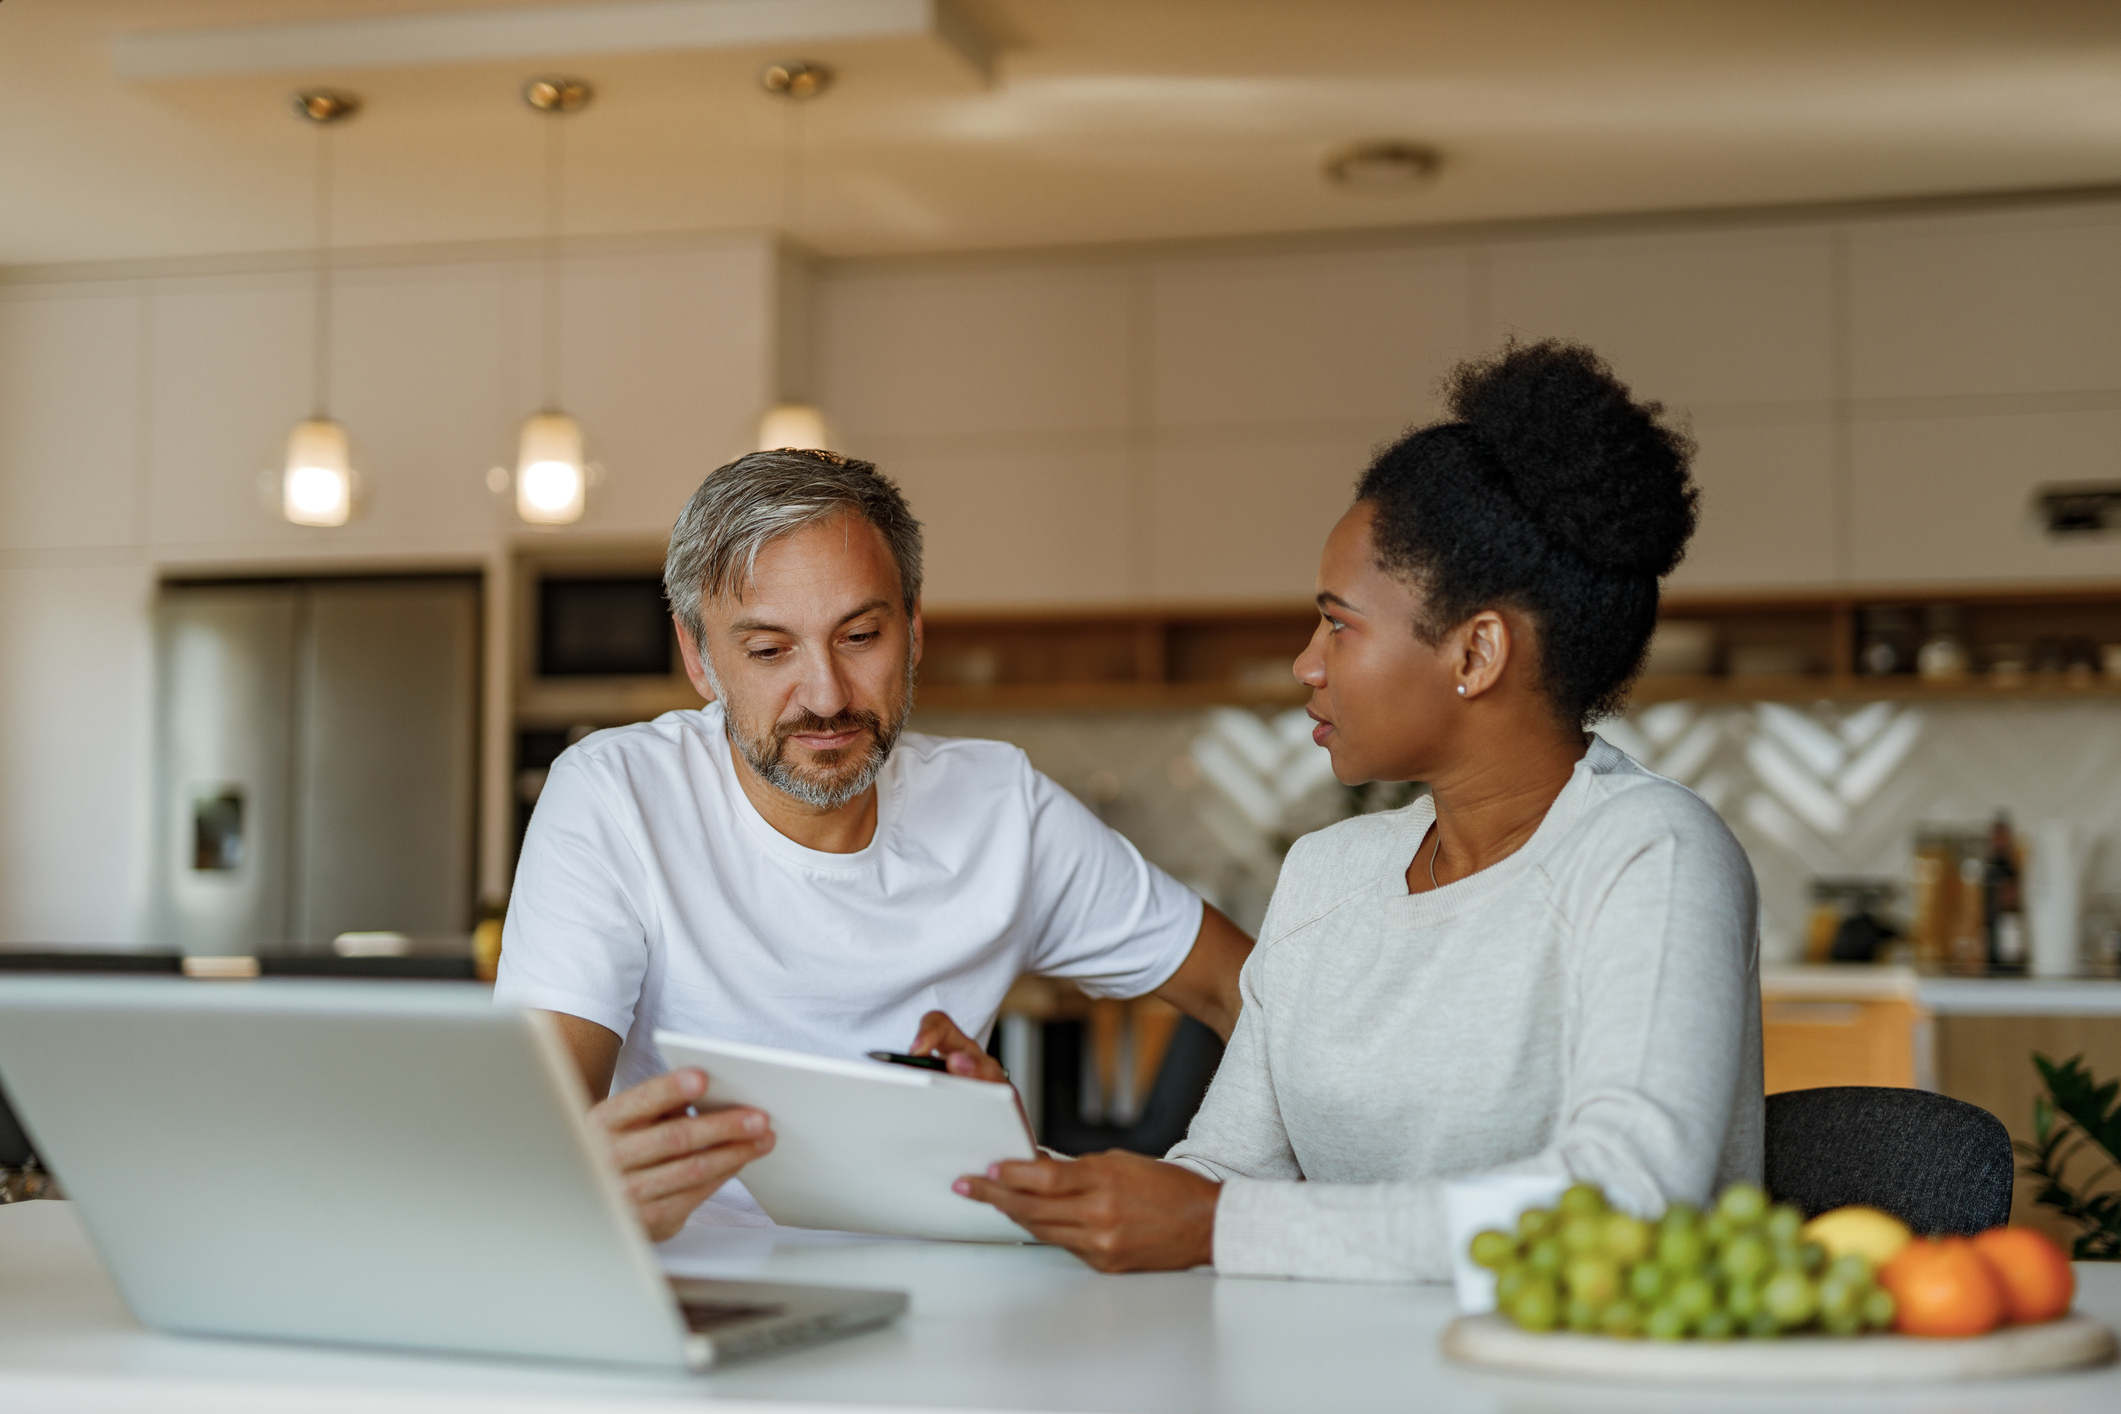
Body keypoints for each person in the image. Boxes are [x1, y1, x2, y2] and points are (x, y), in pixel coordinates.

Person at [960, 340, 1764, 1278]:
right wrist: (998, 1160)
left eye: (1338, 625)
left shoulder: (1649, 851)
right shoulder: (1326, 874)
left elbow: (1631, 1195)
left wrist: (1223, 1225)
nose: (1306, 663)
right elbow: (1217, 1182)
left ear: (1476, 654)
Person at [496, 449, 1253, 1240]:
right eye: (767, 651)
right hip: (698, 1281)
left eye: (859, 636)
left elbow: (1247, 991)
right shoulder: (615, 797)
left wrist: (1220, 1185)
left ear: (914, 628)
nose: (825, 697)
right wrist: (577, 1186)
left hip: (941, 1278)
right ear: (698, 657)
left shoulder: (1002, 811)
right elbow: (532, 1133)